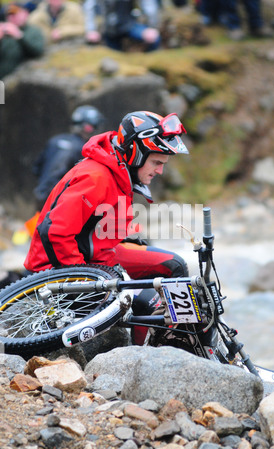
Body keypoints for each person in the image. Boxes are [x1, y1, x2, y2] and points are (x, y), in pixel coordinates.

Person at [24, 110, 190, 345]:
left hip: (99, 258)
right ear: (136, 154)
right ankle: (145, 357)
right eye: (156, 162)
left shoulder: (119, 171)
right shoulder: (97, 176)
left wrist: (130, 236)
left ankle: (181, 339)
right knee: (149, 301)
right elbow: (54, 231)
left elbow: (102, 224)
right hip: (64, 270)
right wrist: (84, 279)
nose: (160, 170)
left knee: (175, 266)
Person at [33, 105, 105, 210]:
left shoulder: (54, 140)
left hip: (41, 196)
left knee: (38, 225)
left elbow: (36, 168)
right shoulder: (85, 149)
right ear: (89, 128)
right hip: (61, 203)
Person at [84, 0, 161, 50]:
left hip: (130, 26)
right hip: (110, 32)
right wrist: (91, 30)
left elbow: (148, 5)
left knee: (155, 39)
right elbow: (89, 7)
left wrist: (152, 27)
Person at [0, 2, 44, 79]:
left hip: (20, 77)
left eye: (15, 14)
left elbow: (38, 51)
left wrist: (19, 36)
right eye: (9, 15)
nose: (12, 17)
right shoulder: (3, 31)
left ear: (25, 13)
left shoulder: (33, 31)